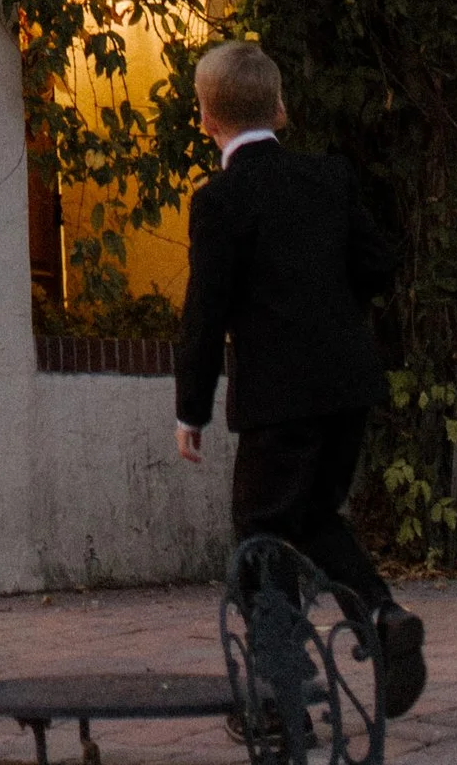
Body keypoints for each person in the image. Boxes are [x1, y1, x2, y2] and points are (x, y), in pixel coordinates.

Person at [172, 36, 427, 719]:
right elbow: (377, 264)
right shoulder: (329, 179)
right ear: (281, 108)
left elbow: (204, 314)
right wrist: (328, 304)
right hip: (347, 386)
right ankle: (383, 616)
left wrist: (191, 409)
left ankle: (279, 693)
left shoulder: (220, 201)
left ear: (206, 119)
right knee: (312, 515)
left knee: (259, 531)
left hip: (278, 397)